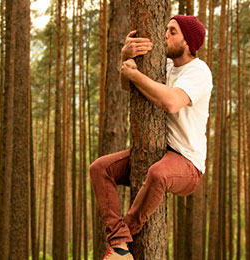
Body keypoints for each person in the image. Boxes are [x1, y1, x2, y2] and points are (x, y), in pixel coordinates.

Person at [90, 15, 212, 260]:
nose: (164, 34)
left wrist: (135, 75)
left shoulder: (199, 71)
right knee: (100, 168)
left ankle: (121, 240)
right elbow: (128, 86)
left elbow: (171, 102)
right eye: (166, 28)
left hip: (187, 164)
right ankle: (120, 245)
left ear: (188, 42)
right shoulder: (162, 65)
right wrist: (127, 58)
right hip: (160, 152)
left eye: (172, 31)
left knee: (158, 173)